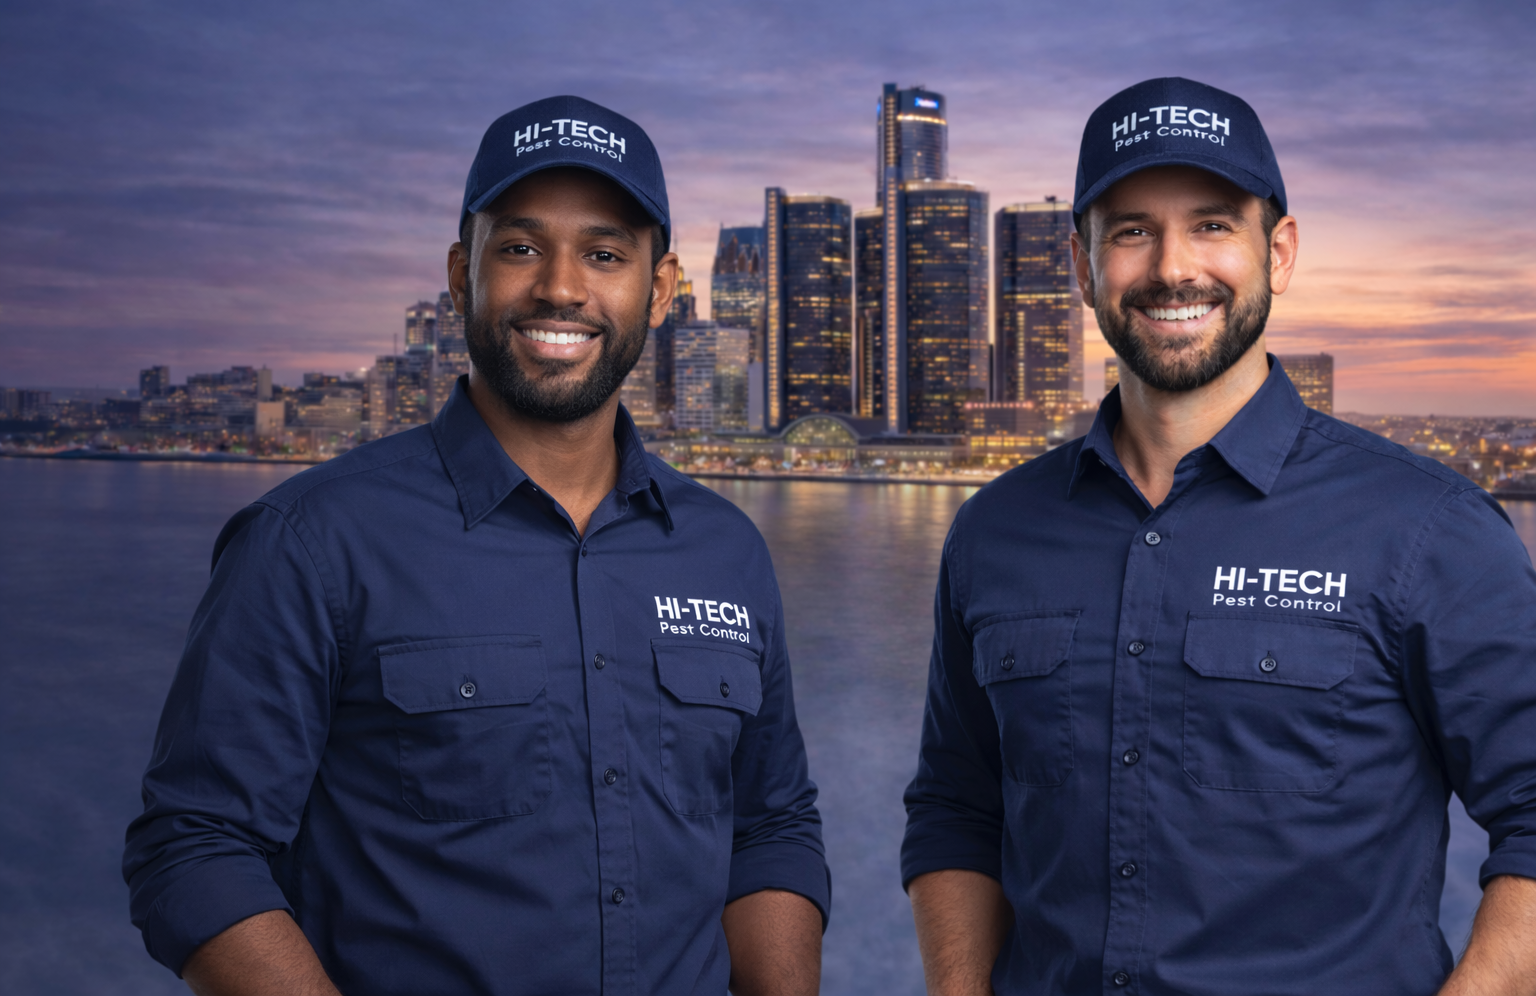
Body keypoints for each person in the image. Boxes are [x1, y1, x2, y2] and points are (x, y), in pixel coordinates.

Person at [123, 95, 828, 996]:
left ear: (659, 289)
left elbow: (769, 826)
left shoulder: (724, 549)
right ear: (463, 274)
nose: (562, 288)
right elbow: (194, 847)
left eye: (605, 254)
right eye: (521, 247)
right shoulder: (311, 542)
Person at [901, 76, 1536, 995]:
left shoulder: (1426, 528)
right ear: (1081, 266)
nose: (1170, 268)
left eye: (1211, 225)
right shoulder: (994, 533)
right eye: (1129, 231)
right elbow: (957, 807)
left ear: (1276, 252)